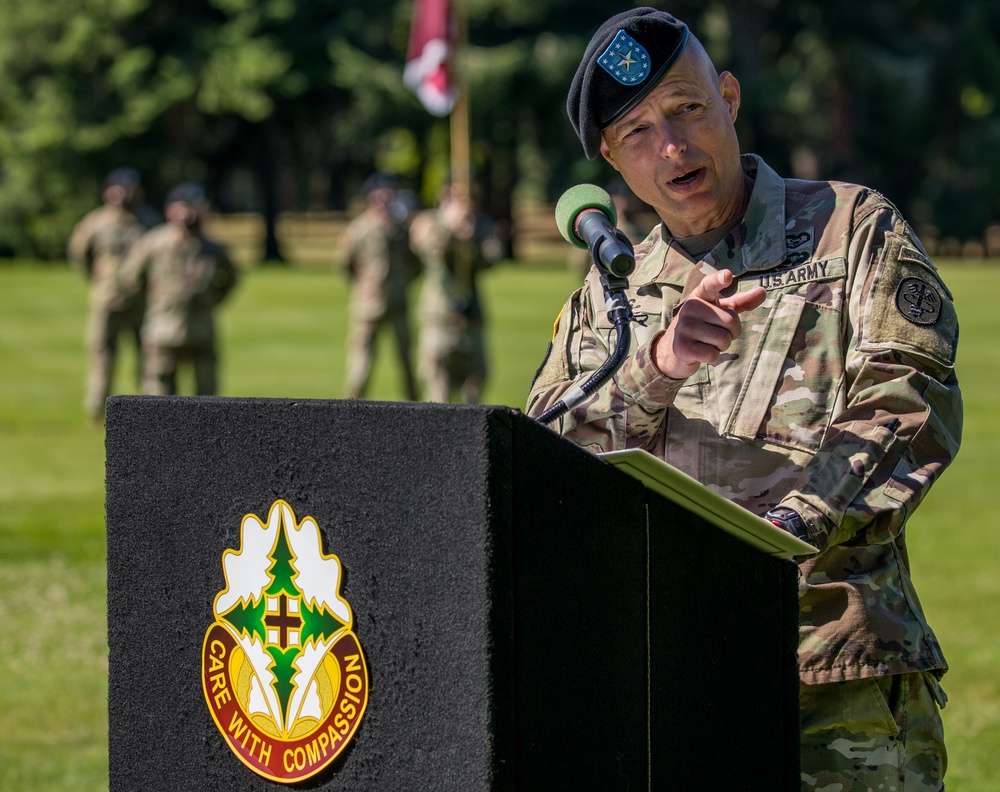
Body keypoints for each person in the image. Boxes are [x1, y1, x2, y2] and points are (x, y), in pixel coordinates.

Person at [525, 9, 961, 791]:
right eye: (638, 132)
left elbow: (907, 397)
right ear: (612, 162)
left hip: (836, 680)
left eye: (688, 108)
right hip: (667, 679)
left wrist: (790, 527)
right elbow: (546, 453)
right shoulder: (612, 294)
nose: (673, 146)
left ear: (728, 97)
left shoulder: (849, 227)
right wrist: (655, 364)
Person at [120, 182, 239, 396]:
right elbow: (131, 279)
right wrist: (153, 304)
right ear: (170, 210)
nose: (189, 213)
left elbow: (231, 279)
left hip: (201, 329)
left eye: (195, 206)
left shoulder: (213, 248)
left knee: (208, 400)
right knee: (159, 398)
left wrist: (211, 300)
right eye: (184, 206)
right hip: (162, 329)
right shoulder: (153, 243)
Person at [67, 167, 155, 424]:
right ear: (108, 191)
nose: (125, 194)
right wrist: (98, 278)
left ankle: (151, 412)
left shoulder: (148, 221)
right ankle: (96, 412)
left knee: (148, 359)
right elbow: (79, 255)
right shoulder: (95, 222)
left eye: (131, 189)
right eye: (120, 188)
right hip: (106, 300)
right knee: (101, 358)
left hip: (142, 302)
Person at [409, 184, 496, 403]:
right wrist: (448, 229)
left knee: (477, 380)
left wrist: (470, 238)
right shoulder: (427, 222)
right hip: (439, 317)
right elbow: (428, 251)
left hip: (471, 315)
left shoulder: (478, 224)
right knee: (438, 387)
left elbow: (491, 257)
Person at [337, 174, 420, 400]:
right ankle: (352, 408)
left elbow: (416, 263)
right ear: (370, 196)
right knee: (360, 364)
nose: (385, 197)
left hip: (398, 302)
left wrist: (402, 282)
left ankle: (417, 410)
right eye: (380, 193)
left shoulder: (401, 230)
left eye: (389, 192)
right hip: (368, 304)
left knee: (407, 362)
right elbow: (346, 265)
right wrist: (365, 286)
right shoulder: (359, 229)